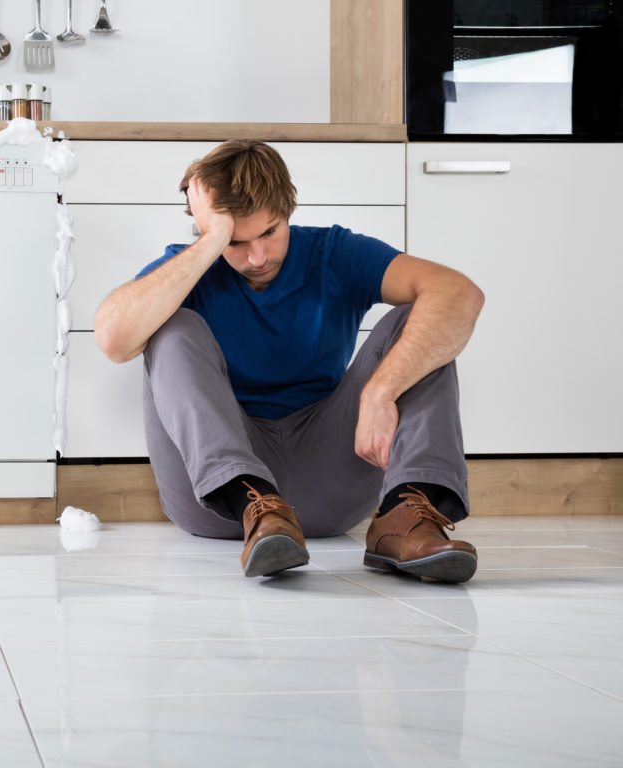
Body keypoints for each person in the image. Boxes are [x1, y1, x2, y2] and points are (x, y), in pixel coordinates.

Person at [92, 140, 485, 583]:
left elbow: (459, 294)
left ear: (289, 209)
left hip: (328, 477)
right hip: (219, 503)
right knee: (170, 324)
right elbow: (113, 341)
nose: (256, 258)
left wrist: (381, 390)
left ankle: (407, 517)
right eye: (237, 242)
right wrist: (211, 242)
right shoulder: (189, 266)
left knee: (424, 321)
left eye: (269, 232)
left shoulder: (333, 253)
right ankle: (256, 506)